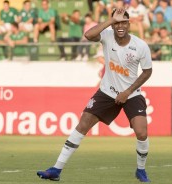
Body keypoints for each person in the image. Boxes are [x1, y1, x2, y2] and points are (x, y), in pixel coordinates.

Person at [37, 8, 152, 182]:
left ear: (129, 24)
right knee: (83, 124)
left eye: (123, 22)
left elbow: (147, 72)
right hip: (106, 92)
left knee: (141, 133)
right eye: (117, 22)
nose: (120, 26)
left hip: (131, 94)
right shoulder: (107, 35)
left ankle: (141, 170)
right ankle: (56, 169)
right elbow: (88, 35)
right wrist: (110, 21)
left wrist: (127, 92)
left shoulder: (141, 46)